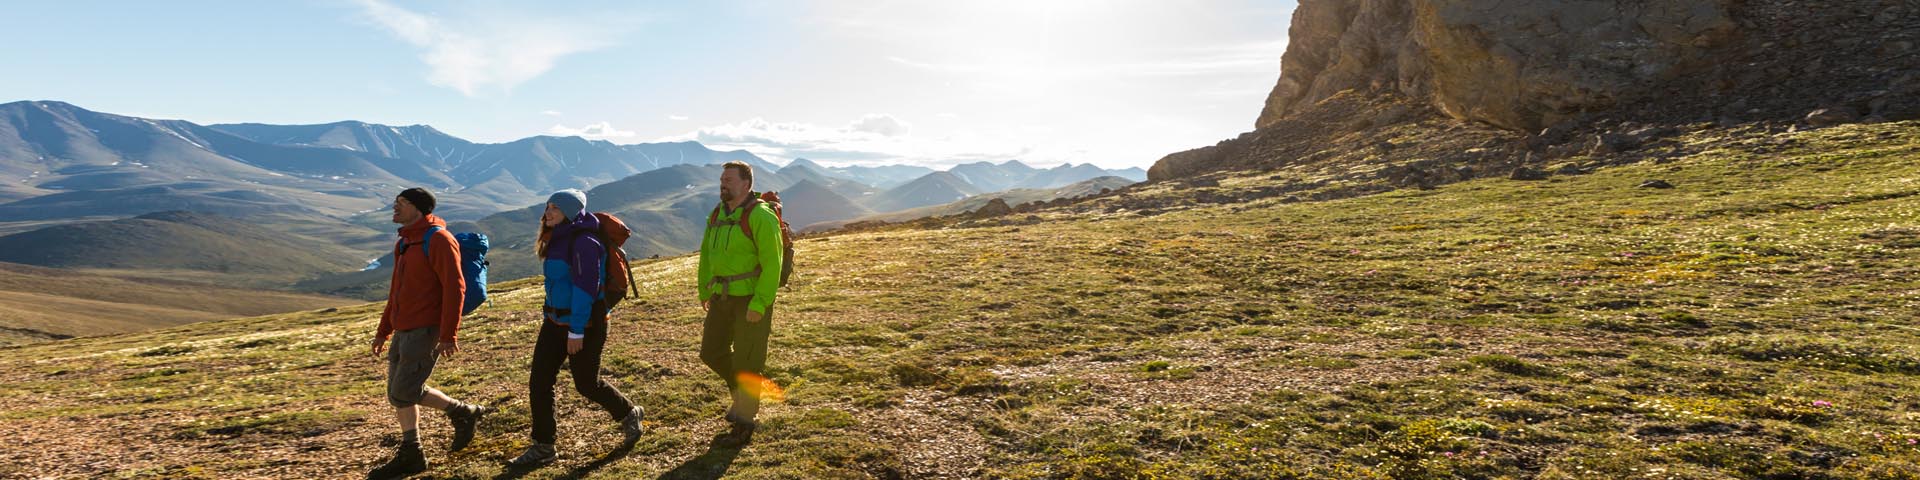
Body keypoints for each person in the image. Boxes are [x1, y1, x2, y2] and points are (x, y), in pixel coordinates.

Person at [508, 189, 644, 467]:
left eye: (555, 209)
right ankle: (544, 446)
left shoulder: (585, 242)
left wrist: (576, 330)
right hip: (554, 322)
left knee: (586, 383)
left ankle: (629, 413)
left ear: (570, 213)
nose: (548, 213)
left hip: (584, 324)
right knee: (539, 383)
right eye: (547, 207)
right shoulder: (557, 237)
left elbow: (586, 289)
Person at [368, 187, 488, 480]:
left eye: (401, 204)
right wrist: (384, 330)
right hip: (403, 327)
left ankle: (457, 415)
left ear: (418, 209)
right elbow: (396, 291)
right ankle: (419, 447)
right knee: (399, 395)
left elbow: (455, 288)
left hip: (426, 328)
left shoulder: (439, 239)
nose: (394, 209)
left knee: (403, 391)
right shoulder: (405, 242)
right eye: (395, 203)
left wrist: (449, 333)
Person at [696, 161, 784, 447]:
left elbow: (773, 263)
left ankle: (745, 426)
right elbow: (707, 254)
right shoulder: (717, 213)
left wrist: (760, 303)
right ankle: (740, 394)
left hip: (750, 297)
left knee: (748, 361)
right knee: (711, 352)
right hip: (722, 295)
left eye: (729, 179)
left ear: (746, 184)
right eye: (722, 179)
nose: (723, 184)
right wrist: (704, 288)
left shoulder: (761, 216)